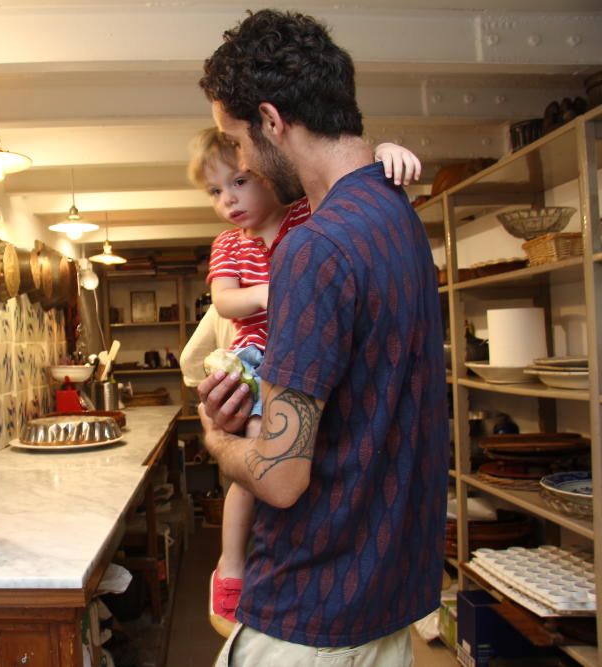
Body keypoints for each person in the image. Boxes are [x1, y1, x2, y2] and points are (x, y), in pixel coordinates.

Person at [196, 9, 448, 666]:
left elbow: (278, 477)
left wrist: (218, 437)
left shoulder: (313, 248)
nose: (242, 159)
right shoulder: (398, 220)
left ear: (273, 121)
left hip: (309, 621)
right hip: (383, 605)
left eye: (239, 140)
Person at [186, 128, 421, 638]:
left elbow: (348, 187)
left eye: (240, 181)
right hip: (255, 355)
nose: (228, 199)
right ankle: (231, 567)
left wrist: (384, 156)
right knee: (256, 456)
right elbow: (225, 302)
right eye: (215, 191)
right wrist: (275, 291)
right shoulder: (228, 245)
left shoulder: (303, 215)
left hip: (307, 351)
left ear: (268, 173)